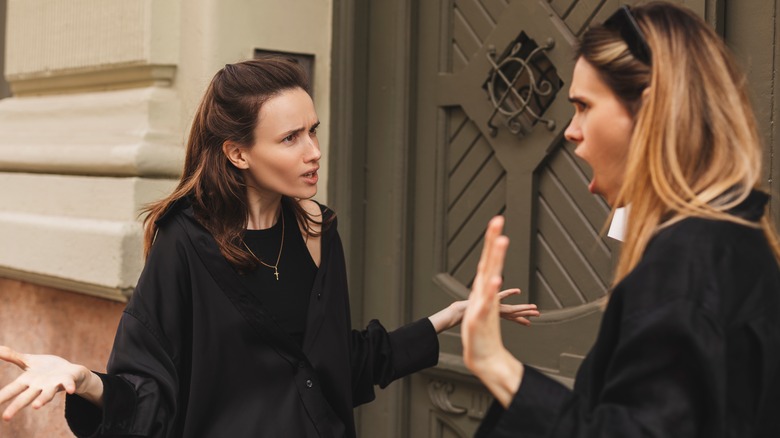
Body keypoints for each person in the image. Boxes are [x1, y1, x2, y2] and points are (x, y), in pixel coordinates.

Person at [0, 57, 540, 437]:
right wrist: (84, 381)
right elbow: (150, 394)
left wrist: (447, 318)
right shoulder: (183, 242)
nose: (314, 151)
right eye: (290, 138)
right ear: (238, 153)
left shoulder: (317, 229)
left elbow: (337, 365)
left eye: (313, 130)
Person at [461, 2, 780, 437]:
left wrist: (496, 365)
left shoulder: (685, 263)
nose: (571, 130)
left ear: (651, 113)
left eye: (584, 106)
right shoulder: (732, 240)